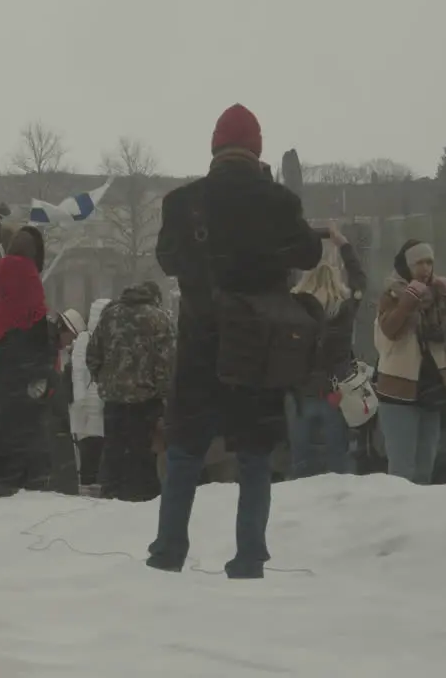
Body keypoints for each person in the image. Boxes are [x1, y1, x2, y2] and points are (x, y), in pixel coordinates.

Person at [148, 104, 322, 577]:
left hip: (202, 339)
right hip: (258, 345)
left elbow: (167, 260)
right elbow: (310, 252)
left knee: (185, 450)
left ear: (214, 147)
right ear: (256, 148)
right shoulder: (279, 202)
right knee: (254, 454)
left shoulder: (183, 203)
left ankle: (169, 550)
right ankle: (249, 556)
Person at [0, 225, 57, 495]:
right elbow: (35, 321)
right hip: (19, 368)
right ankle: (21, 477)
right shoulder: (26, 274)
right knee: (21, 426)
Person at [374, 239, 446, 485]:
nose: (425, 268)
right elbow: (390, 329)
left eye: (429, 262)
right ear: (406, 266)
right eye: (418, 263)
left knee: (426, 466)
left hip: (433, 388)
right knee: (402, 469)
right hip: (398, 391)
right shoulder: (392, 294)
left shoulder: (439, 295)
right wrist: (409, 298)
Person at [286, 224, 368, 478]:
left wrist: (293, 244)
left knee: (301, 461)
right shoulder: (344, 307)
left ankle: (300, 509)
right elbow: (359, 279)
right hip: (337, 392)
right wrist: (343, 244)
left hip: (301, 393)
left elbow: (279, 278)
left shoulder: (292, 305)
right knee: (338, 460)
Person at [86, 281, 174, 501]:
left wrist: (106, 381)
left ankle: (109, 493)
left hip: (113, 400)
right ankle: (142, 499)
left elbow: (92, 355)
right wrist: (163, 395)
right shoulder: (160, 319)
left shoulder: (109, 316)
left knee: (113, 450)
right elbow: (167, 364)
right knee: (143, 456)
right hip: (146, 401)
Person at [71, 299, 111, 494]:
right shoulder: (86, 339)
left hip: (97, 400)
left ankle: (93, 480)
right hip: (91, 401)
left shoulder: (95, 339)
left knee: (97, 444)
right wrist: (81, 401)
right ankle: (89, 482)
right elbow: (79, 373)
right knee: (91, 444)